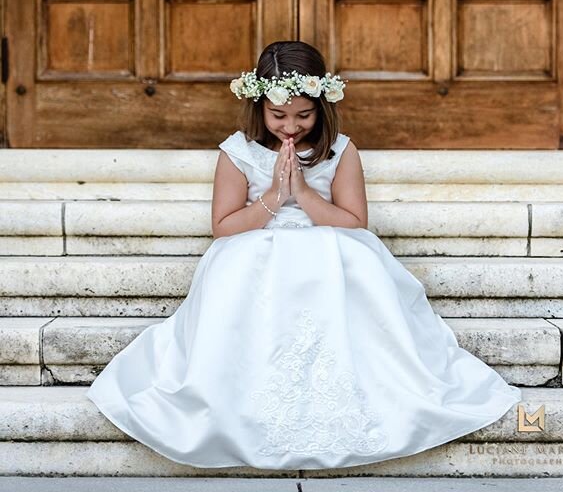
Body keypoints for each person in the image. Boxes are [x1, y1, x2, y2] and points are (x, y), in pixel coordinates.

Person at [86, 40, 522, 471]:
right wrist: (275, 195)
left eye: (303, 115)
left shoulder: (340, 150)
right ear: (259, 107)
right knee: (239, 271)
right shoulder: (237, 152)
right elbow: (223, 227)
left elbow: (353, 221)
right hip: (253, 243)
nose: (290, 126)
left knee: (354, 264)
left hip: (329, 239)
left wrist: (303, 192)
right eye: (278, 115)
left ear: (322, 108)